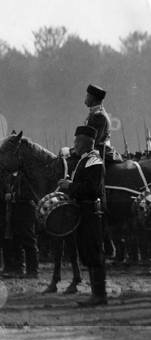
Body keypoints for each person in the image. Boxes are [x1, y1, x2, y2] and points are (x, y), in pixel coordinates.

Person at [59, 125, 108, 307]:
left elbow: (93, 189)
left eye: (77, 141)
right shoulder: (84, 160)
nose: (75, 145)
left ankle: (99, 295)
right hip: (84, 210)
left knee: (94, 252)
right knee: (88, 252)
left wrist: (69, 186)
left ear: (87, 142)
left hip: (91, 212)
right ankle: (96, 294)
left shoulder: (93, 160)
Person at [82, 84, 117, 162]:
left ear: (92, 98)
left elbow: (94, 140)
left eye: (87, 96)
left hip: (100, 151)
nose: (86, 98)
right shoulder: (94, 113)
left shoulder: (99, 115)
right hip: (96, 150)